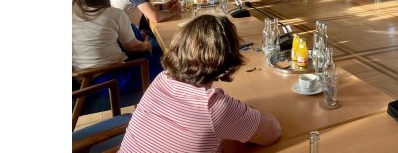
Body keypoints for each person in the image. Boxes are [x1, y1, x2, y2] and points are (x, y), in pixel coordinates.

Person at [119, 15, 282, 152]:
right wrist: (246, 113)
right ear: (228, 58)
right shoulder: (213, 106)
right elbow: (272, 132)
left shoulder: (161, 79)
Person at [72, 0, 161, 92]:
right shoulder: (113, 14)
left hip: (81, 79)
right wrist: (149, 44)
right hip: (109, 80)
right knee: (165, 57)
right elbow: (133, 47)